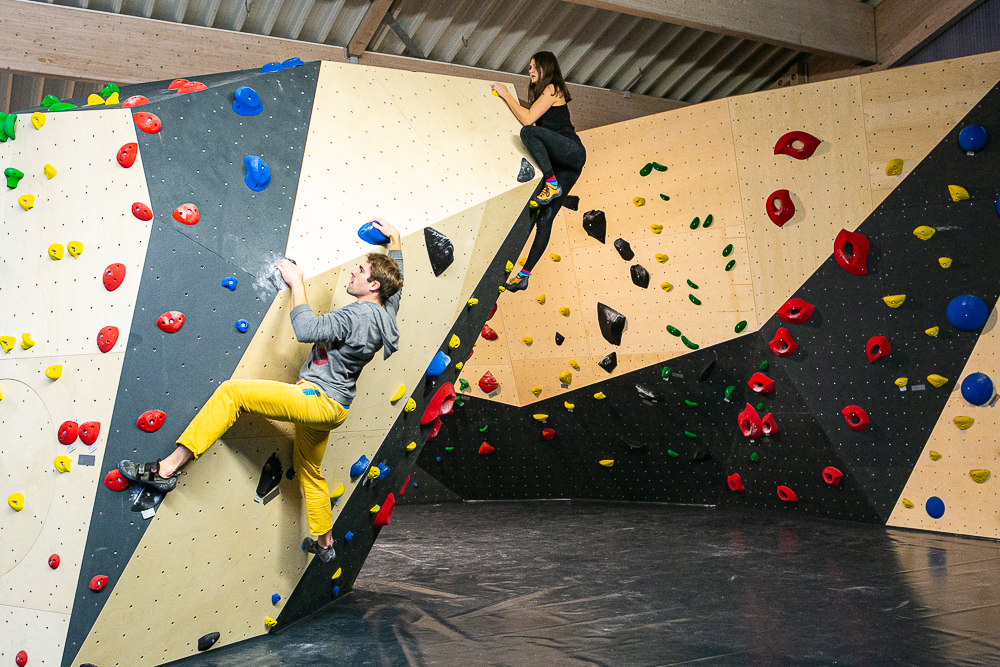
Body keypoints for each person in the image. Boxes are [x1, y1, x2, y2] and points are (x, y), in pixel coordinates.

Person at [118, 220, 404, 563]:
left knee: (232, 394)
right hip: (336, 408)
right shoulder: (387, 311)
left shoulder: (355, 316)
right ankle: (325, 543)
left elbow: (306, 328)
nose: (354, 273)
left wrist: (297, 283)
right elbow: (397, 286)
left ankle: (167, 470)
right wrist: (396, 241)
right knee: (309, 470)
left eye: (361, 270)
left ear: (373, 285)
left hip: (317, 399)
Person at [491, 51, 586, 292]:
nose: (530, 71)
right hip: (568, 163)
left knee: (528, 133)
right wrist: (512, 101)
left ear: (545, 68)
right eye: (529, 66)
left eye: (534, 67)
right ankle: (524, 275)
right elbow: (532, 113)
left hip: (572, 151)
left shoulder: (553, 88)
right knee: (544, 219)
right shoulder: (546, 93)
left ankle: (551, 183)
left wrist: (506, 96)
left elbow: (529, 120)